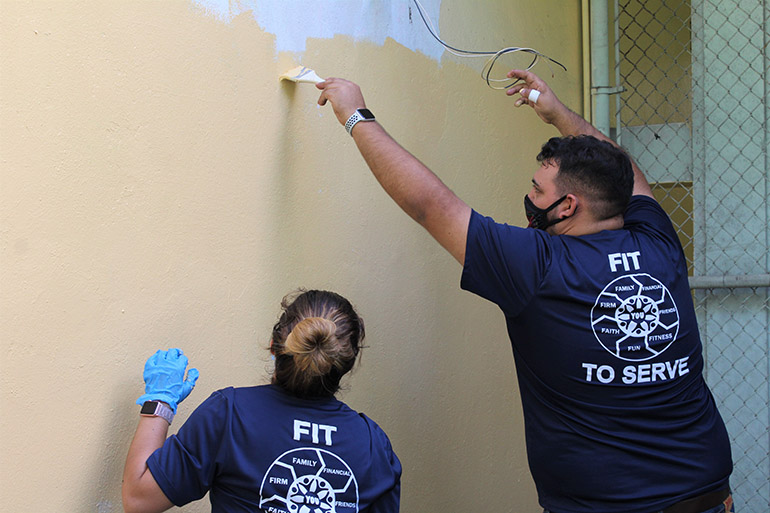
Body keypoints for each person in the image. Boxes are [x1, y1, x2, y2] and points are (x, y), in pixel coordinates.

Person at [315, 70, 733, 513]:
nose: (529, 194)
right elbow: (625, 172)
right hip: (706, 492)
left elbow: (429, 204)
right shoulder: (659, 243)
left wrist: (355, 115)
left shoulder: (537, 267)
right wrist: (557, 114)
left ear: (568, 206)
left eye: (538, 188)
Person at [122, 289, 402, 513]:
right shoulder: (374, 445)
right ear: (347, 364)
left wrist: (160, 403)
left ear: (274, 344)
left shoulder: (230, 415)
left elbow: (139, 500)